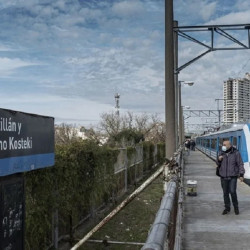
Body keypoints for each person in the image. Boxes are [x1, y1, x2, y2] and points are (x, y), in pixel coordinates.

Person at [216, 140, 245, 215]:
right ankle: (227, 208)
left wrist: (241, 174)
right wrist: (219, 160)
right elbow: (217, 163)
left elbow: (240, 164)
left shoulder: (236, 153)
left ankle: (236, 207)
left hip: (232, 176)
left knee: (232, 192)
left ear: (230, 145)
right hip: (223, 176)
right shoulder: (221, 152)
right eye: (223, 144)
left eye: (225, 145)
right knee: (225, 193)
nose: (223, 146)